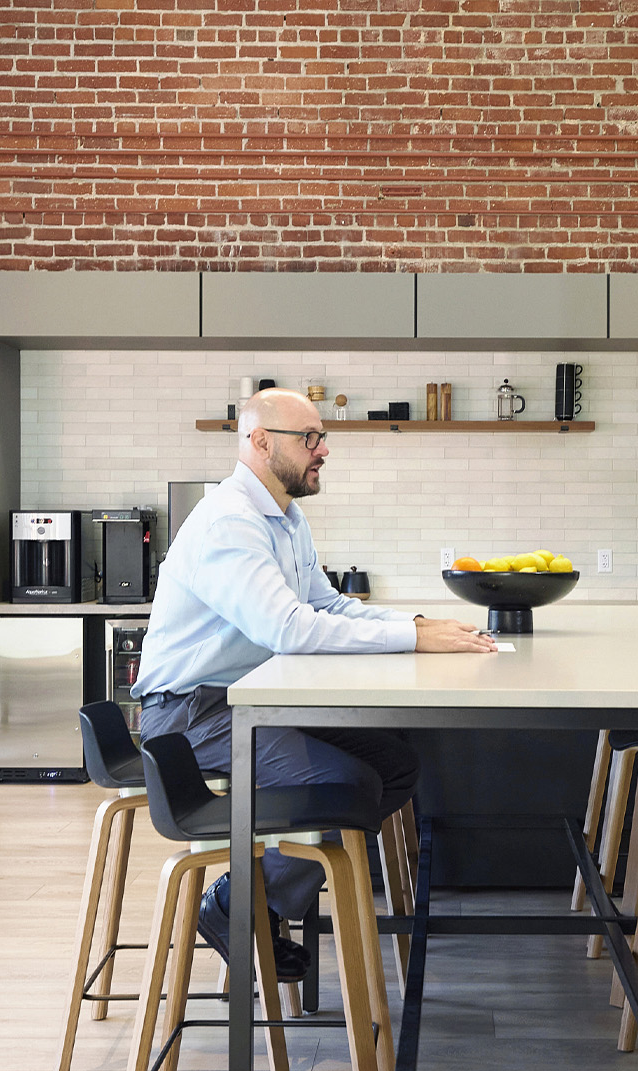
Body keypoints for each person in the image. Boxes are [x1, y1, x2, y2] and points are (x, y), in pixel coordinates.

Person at [133, 388, 496, 972]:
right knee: (346, 785)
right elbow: (290, 630)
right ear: (259, 442)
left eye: (322, 437)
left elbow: (327, 606)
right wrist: (411, 638)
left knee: (395, 764)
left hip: (246, 703)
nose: (322, 449)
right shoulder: (230, 522)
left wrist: (417, 624)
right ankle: (236, 904)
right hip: (192, 714)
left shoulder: (285, 517)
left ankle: (260, 901)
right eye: (309, 439)